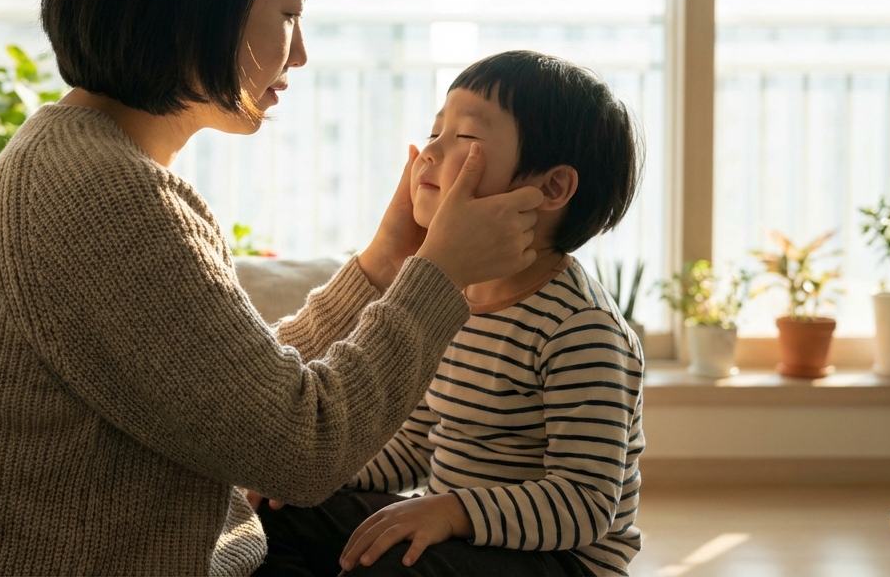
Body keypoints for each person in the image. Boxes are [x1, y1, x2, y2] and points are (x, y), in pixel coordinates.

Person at [0, 0, 547, 577]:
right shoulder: (103, 199)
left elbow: (232, 390)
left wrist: (384, 263)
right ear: (198, 1)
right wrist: (438, 275)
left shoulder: (79, 153)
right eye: (287, 10)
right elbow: (305, 451)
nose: (299, 51)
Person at [254, 51, 646, 577]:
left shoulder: (581, 328)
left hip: (558, 560)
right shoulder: (446, 300)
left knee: (391, 566)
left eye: (463, 137)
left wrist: (450, 510)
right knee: (274, 517)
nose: (430, 151)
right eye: (435, 130)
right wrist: (315, 477)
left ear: (551, 188)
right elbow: (416, 442)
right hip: (457, 532)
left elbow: (585, 505)